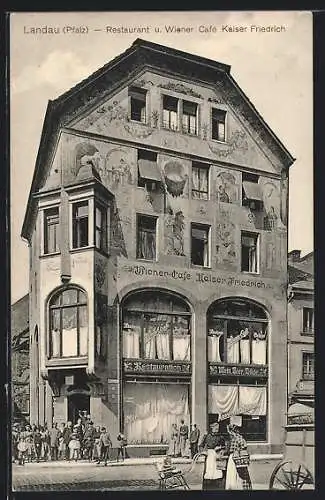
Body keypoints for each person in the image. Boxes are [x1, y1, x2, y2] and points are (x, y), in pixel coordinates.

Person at [225, 424, 252, 490]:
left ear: (231, 431)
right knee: (241, 474)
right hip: (239, 458)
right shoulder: (240, 437)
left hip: (233, 457)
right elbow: (244, 446)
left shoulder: (233, 438)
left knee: (232, 474)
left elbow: (228, 450)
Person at [199, 422, 225, 490]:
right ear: (212, 428)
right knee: (208, 471)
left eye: (218, 428)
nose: (217, 430)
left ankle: (217, 487)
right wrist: (203, 452)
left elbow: (224, 446)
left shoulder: (221, 437)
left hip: (217, 455)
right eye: (215, 428)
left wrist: (220, 448)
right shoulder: (207, 436)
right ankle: (208, 487)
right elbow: (201, 446)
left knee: (217, 472)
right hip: (209, 455)